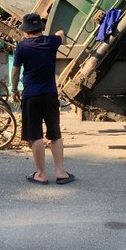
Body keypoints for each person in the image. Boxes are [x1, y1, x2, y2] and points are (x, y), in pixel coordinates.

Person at [11, 12, 75, 185]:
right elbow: (61, 34)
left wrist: (14, 89)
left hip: (31, 95)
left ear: (26, 31)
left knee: (35, 135)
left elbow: (16, 71)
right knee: (55, 134)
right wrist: (58, 29)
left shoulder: (22, 47)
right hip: (50, 95)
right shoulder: (51, 42)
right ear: (40, 28)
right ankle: (60, 172)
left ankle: (41, 174)